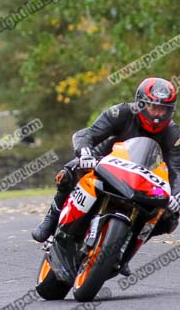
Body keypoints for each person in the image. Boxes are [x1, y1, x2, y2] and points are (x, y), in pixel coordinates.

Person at [31, 77, 180, 273]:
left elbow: (176, 170)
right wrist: (84, 152)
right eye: (153, 107)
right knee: (69, 172)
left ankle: (124, 249)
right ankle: (52, 219)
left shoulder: (173, 133)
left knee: (170, 218)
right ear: (141, 103)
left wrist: (176, 195)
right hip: (104, 162)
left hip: (142, 180)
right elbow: (88, 134)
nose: (157, 115)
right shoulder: (121, 113)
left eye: (163, 109)